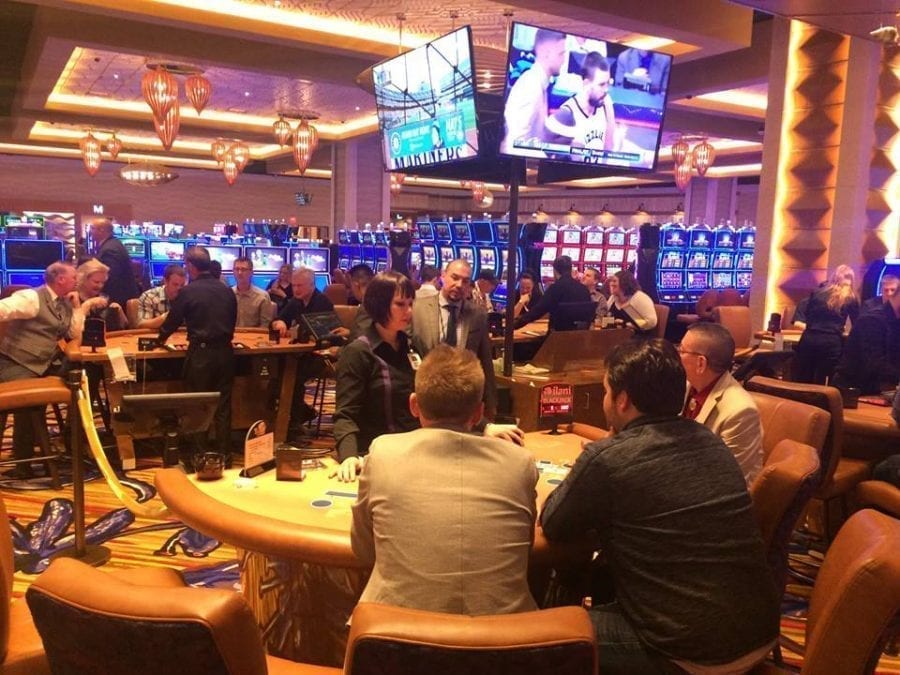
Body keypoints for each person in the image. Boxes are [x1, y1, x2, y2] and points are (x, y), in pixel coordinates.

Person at [541, 338, 779, 673]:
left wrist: (597, 459)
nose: (604, 399)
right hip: (759, 632)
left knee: (541, 637)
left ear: (623, 400)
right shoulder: (711, 441)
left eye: (606, 390)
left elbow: (553, 523)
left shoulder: (609, 458)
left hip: (690, 653)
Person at [351, 345, 538, 615]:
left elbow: (364, 550)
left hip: (396, 644)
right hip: (503, 648)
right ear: (478, 413)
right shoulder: (521, 463)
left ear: (414, 405)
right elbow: (526, 549)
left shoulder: (381, 453)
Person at [0, 262, 102, 476]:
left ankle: (70, 442)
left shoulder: (65, 303)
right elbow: (3, 309)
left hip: (44, 364)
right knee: (29, 407)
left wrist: (78, 308)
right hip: (17, 362)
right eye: (74, 277)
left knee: (84, 379)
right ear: (60, 279)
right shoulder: (31, 297)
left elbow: (74, 335)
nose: (77, 281)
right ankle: (23, 464)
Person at [332, 272, 419, 482]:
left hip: (413, 455)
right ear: (379, 305)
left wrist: (483, 426)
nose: (409, 311)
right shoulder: (358, 352)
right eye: (400, 304)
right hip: (373, 458)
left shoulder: (412, 346)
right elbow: (345, 414)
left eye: (410, 303)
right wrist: (349, 456)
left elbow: (435, 398)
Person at [158, 246, 237, 461]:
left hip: (201, 356)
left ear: (190, 266)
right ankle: (225, 455)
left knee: (198, 406)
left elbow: (171, 323)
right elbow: (232, 321)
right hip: (226, 354)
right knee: (223, 407)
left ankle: (200, 456)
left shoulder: (188, 291)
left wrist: (159, 340)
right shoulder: (226, 290)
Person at [411, 259, 498, 419]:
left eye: (465, 281)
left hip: (461, 396)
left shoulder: (477, 314)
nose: (459, 284)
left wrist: (490, 404)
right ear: (443, 276)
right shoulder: (418, 308)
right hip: (426, 394)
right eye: (454, 277)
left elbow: (485, 360)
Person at [680, 322, 764, 484]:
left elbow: (730, 478)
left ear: (701, 363)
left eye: (682, 351)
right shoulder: (687, 386)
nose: (677, 356)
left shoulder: (740, 411)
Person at [271, 268, 334, 436]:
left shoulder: (322, 302)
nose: (296, 289)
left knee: (293, 375)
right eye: (294, 285)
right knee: (278, 371)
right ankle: (292, 415)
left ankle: (295, 420)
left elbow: (324, 336)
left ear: (312, 285)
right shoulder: (295, 302)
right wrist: (280, 324)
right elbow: (277, 320)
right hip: (299, 354)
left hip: (320, 356)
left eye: (300, 285)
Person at [500, 28, 567, 157]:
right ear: (547, 53)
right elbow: (514, 146)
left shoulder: (539, 83)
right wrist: (547, 161)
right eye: (561, 54)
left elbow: (533, 140)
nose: (564, 60)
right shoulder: (530, 87)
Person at [794, 264, 860, 384]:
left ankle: (799, 402)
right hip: (831, 342)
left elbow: (808, 316)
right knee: (824, 380)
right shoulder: (850, 297)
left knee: (803, 379)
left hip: (809, 339)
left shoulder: (817, 293)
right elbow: (857, 325)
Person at [832, 288, 900, 394]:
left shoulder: (895, 321)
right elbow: (874, 364)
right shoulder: (872, 320)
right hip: (853, 391)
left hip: (877, 390)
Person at [546, 51, 616, 153]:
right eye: (601, 84)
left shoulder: (606, 102)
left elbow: (609, 148)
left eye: (608, 83)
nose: (606, 90)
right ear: (586, 84)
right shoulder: (567, 113)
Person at [514, 256, 593, 332]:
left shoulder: (555, 288)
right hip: (579, 339)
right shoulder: (584, 289)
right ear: (570, 269)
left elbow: (537, 311)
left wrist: (513, 326)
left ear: (555, 271)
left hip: (556, 339)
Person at [89, 218, 140, 308]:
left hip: (118, 301)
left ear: (101, 230)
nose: (90, 231)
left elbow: (109, 278)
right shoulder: (113, 244)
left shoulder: (110, 249)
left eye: (92, 228)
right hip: (121, 298)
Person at [76, 258, 128, 330]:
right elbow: (74, 330)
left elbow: (125, 327)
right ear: (83, 279)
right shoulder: (73, 298)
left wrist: (120, 311)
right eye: (96, 282)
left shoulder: (104, 298)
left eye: (103, 282)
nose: (100, 286)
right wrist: (88, 304)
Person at [136, 264, 186, 329]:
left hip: (180, 336)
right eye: (175, 284)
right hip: (156, 336)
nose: (179, 288)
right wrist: (166, 317)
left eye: (182, 285)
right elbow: (142, 324)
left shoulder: (187, 296)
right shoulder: (149, 296)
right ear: (165, 281)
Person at [607, 269, 657, 334]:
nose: (611, 284)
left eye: (614, 281)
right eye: (611, 281)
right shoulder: (613, 297)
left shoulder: (639, 298)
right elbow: (606, 315)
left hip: (639, 337)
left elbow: (651, 323)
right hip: (617, 335)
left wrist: (632, 324)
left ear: (625, 283)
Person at [232, 257, 274, 328]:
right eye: (237, 269)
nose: (239, 272)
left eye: (243, 269)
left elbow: (265, 325)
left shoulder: (262, 296)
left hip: (254, 337)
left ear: (251, 272)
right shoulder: (228, 294)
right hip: (231, 337)